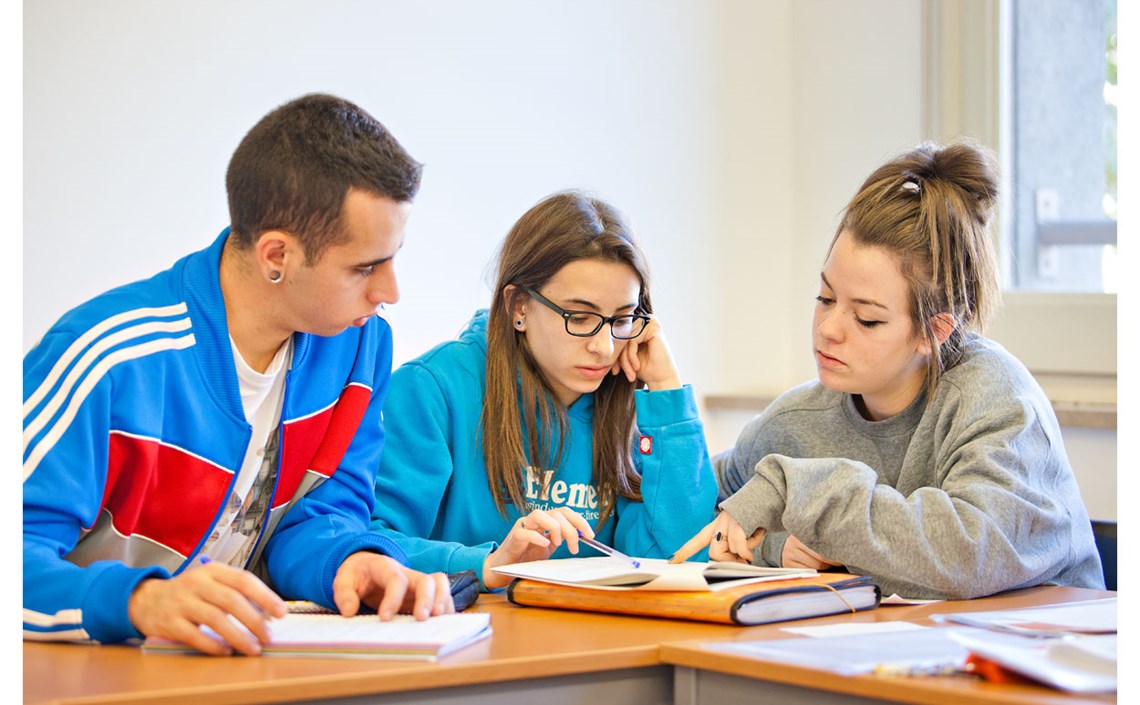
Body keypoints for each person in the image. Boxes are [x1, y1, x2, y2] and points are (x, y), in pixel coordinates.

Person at [23, 93, 455, 657]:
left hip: (225, 671)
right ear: (276, 255)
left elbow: (321, 512)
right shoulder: (109, 357)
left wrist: (351, 560)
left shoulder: (359, 346)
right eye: (365, 267)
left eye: (393, 258)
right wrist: (139, 602)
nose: (389, 292)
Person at [670, 139, 1104, 600]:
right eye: (825, 298)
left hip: (1039, 652)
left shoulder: (997, 401)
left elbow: (970, 555)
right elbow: (696, 509)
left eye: (867, 318)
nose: (829, 329)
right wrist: (776, 548)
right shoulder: (795, 422)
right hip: (890, 649)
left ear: (933, 332)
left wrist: (804, 492)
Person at [369, 190, 717, 589]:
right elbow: (371, 544)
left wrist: (666, 390)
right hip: (467, 635)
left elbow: (682, 556)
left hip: (589, 639)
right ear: (519, 306)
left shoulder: (628, 401)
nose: (604, 347)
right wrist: (490, 563)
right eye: (580, 317)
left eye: (622, 320)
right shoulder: (433, 388)